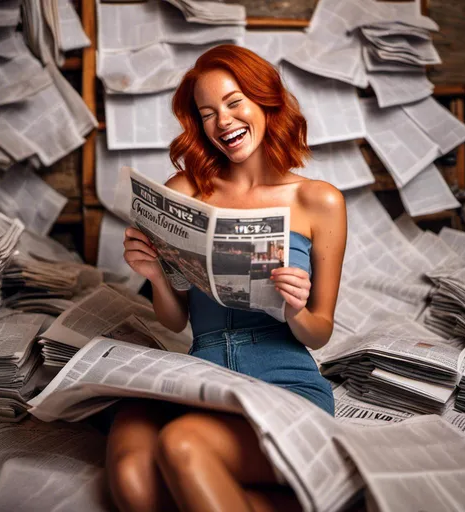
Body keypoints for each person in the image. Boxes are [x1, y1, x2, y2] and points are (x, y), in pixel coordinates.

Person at [107, 44, 347, 512]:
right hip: (201, 376)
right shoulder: (185, 192)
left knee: (182, 443)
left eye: (235, 102)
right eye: (208, 113)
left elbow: (319, 332)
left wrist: (295, 308)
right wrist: (156, 275)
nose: (224, 122)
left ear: (265, 102)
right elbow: (176, 322)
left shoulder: (320, 201)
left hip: (284, 384)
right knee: (131, 465)